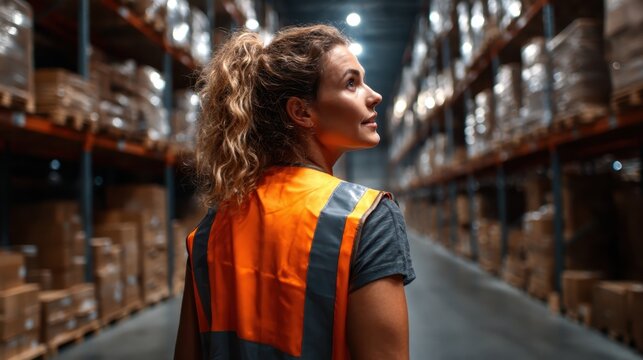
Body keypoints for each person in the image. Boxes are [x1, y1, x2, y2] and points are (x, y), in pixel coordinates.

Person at [174, 24, 415, 360]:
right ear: (302, 112)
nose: (374, 95)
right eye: (351, 83)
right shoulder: (365, 218)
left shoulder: (213, 227)